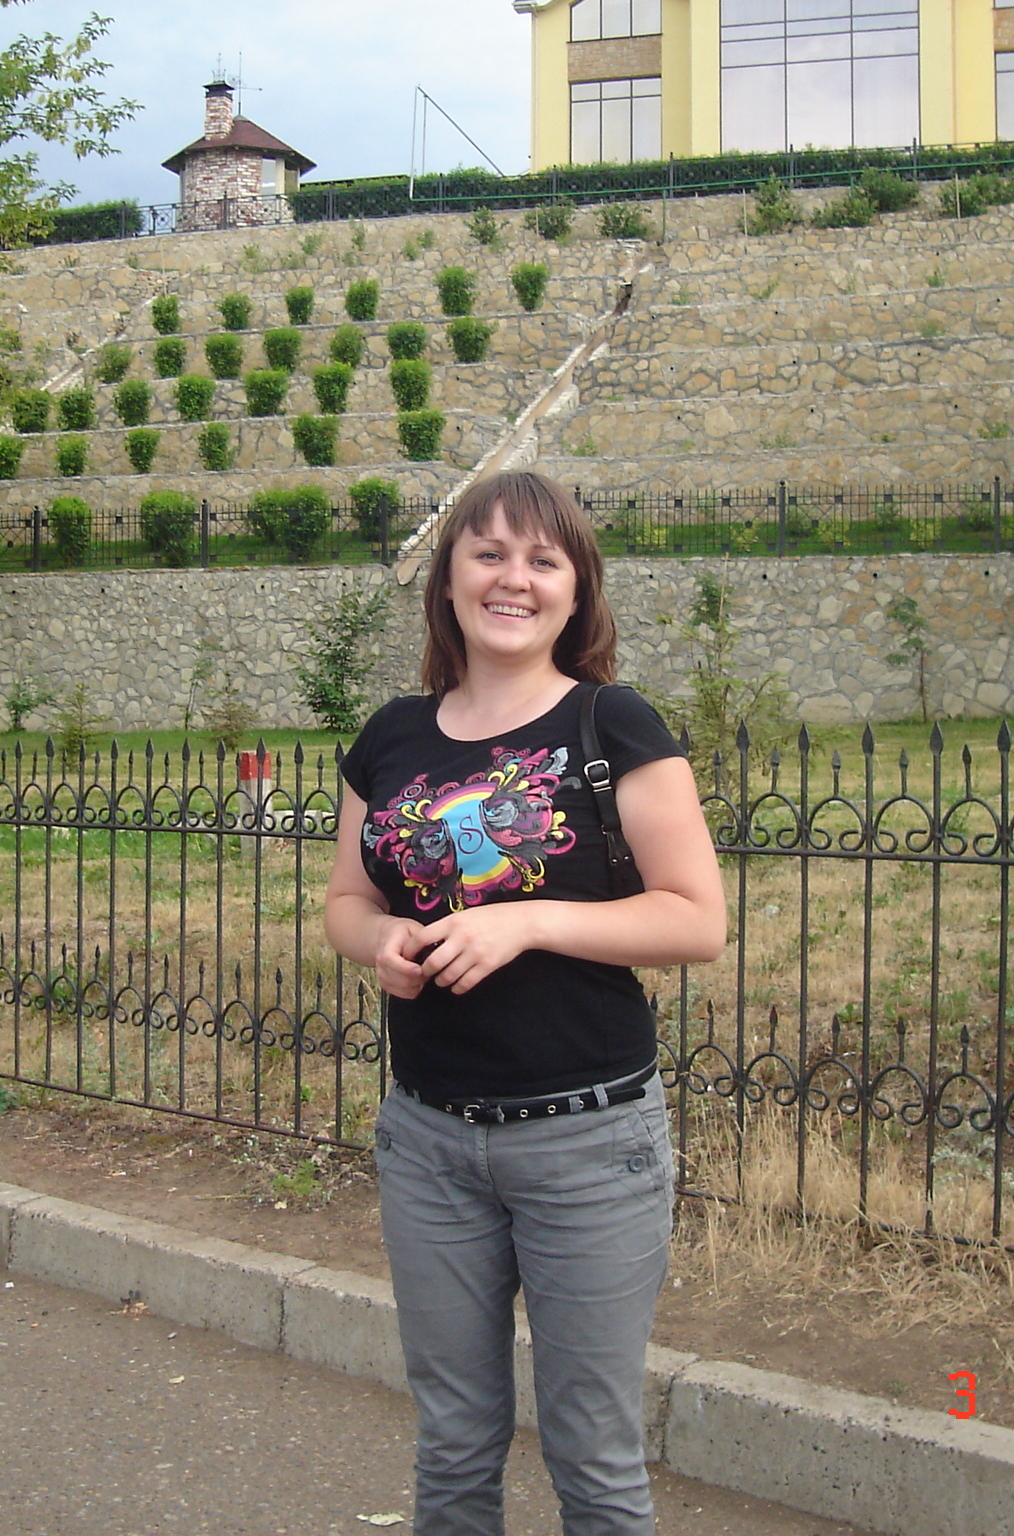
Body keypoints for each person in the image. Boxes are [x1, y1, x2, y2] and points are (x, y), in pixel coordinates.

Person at [325, 470, 726, 1536]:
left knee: (592, 1455)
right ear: (447, 579)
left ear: (576, 590)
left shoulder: (612, 722)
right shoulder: (390, 736)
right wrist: (381, 942)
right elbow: (346, 903)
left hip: (588, 1143)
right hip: (428, 1140)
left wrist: (528, 921)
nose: (514, 579)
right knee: (454, 1442)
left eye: (543, 560)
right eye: (489, 554)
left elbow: (696, 920)